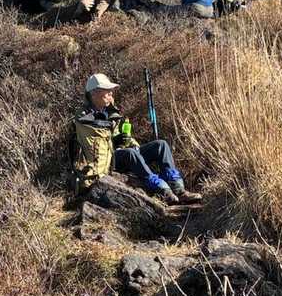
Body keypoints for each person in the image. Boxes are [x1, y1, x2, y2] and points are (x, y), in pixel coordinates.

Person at [70, 73, 201, 204]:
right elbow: (99, 136)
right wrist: (115, 137)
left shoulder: (108, 112)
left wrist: (129, 141)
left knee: (161, 145)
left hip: (118, 153)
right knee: (130, 154)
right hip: (106, 163)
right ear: (93, 93)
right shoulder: (83, 116)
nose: (111, 93)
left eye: (111, 90)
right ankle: (162, 190)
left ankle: (178, 190)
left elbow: (115, 133)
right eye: (106, 90)